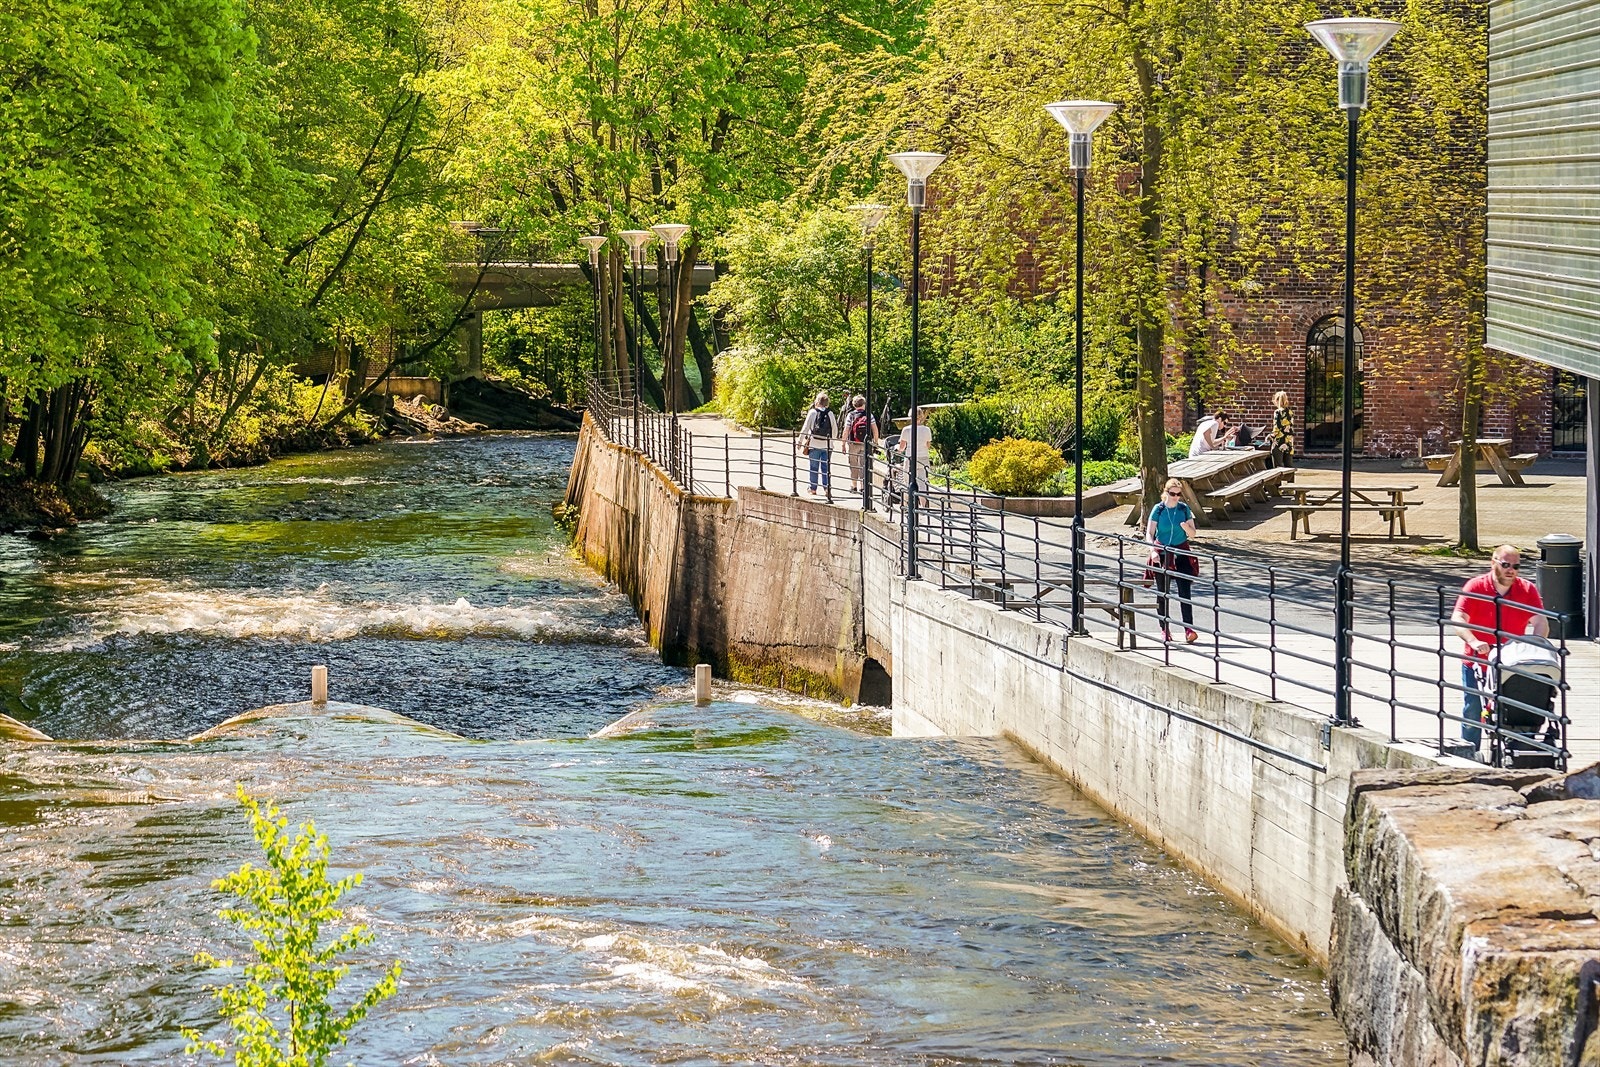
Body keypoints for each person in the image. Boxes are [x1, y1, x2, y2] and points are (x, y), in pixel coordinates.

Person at [1450, 546, 1548, 752]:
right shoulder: (1476, 586)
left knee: (1515, 711)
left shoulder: (1527, 589)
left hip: (1512, 664)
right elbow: (1458, 618)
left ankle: (1517, 750)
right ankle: (1468, 753)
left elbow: (1541, 621)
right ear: (1493, 563)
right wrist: (1473, 640)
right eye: (1505, 565)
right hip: (1478, 661)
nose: (1510, 570)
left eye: (1516, 566)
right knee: (1472, 710)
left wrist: (1535, 644)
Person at [1145, 478, 1199, 643]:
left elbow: (1193, 534)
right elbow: (1149, 533)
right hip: (1162, 552)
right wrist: (1153, 550)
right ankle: (1164, 628)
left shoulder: (1184, 509)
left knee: (1185, 592)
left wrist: (1186, 527)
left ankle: (1188, 629)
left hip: (1181, 551)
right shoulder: (1158, 509)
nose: (1176, 497)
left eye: (1178, 494)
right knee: (1163, 592)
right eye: (1172, 493)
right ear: (1166, 493)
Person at [798, 391, 835, 496]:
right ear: (827, 403)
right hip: (827, 445)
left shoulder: (812, 413)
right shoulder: (830, 413)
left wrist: (800, 441)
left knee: (813, 467)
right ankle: (827, 489)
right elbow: (835, 429)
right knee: (825, 468)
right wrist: (832, 441)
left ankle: (813, 489)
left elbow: (805, 428)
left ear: (817, 402)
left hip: (814, 445)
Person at [842, 395, 879, 494]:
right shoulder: (869, 415)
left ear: (854, 405)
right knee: (864, 464)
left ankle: (854, 486)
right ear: (864, 404)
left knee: (853, 464)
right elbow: (875, 429)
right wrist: (875, 442)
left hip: (853, 443)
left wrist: (843, 443)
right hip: (865, 443)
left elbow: (846, 430)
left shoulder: (851, 415)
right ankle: (863, 487)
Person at [895, 407, 933, 495]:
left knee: (908, 480)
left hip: (911, 458)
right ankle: (923, 506)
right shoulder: (927, 429)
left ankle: (910, 504)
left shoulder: (906, 429)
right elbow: (928, 445)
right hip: (923, 457)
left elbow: (901, 448)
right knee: (922, 483)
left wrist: (897, 447)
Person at [1267, 391, 1295, 469]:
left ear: (1277, 400)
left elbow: (1277, 426)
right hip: (1289, 440)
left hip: (1279, 440)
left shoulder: (1278, 412)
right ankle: (1289, 479)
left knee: (1278, 463)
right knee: (1288, 463)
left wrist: (1272, 435)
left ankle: (1278, 480)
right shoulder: (1290, 412)